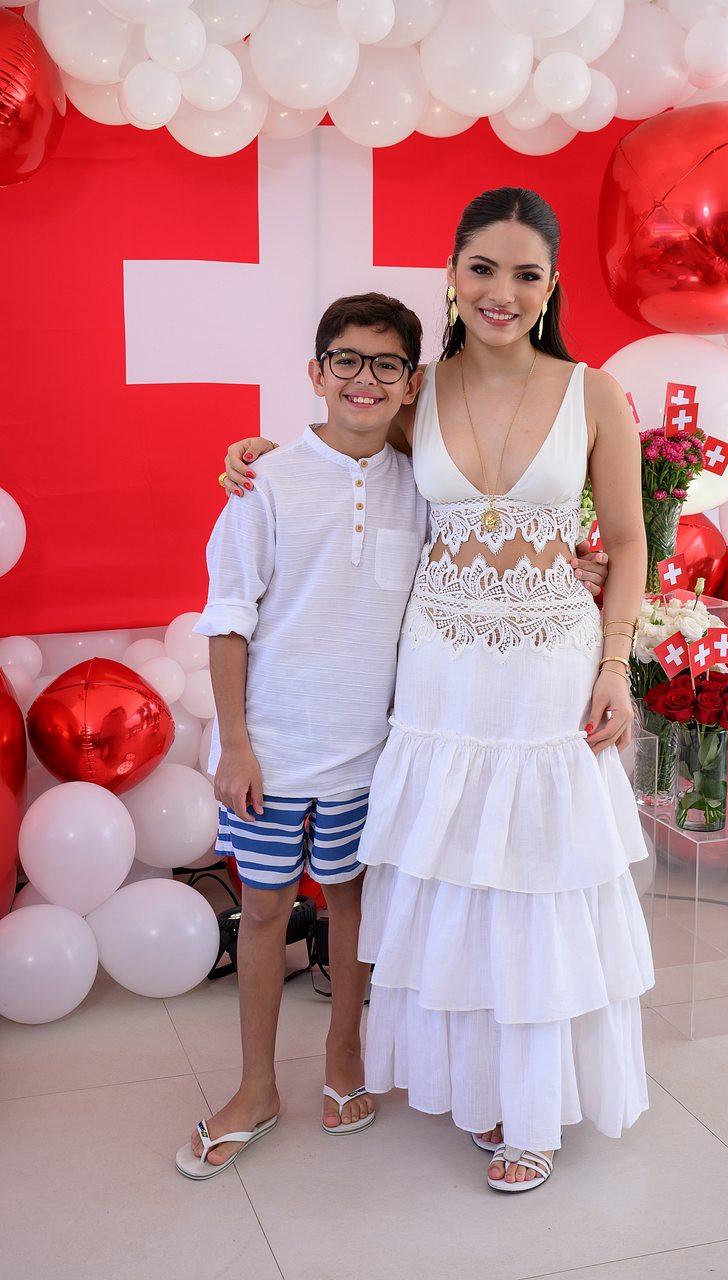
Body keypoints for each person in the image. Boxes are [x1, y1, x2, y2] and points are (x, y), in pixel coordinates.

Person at [223, 189, 647, 1195]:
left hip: (548, 676)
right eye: (482, 269)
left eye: (526, 274)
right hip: (439, 676)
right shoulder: (418, 393)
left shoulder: (593, 394)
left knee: (534, 878)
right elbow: (345, 449)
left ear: (551, 286)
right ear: (452, 275)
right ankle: (467, 1081)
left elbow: (629, 541)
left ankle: (530, 1105)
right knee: (450, 874)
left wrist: (615, 661)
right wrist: (258, 455)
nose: (503, 292)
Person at [175, 293, 429, 1178]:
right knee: (265, 909)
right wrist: (237, 744)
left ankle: (343, 1056)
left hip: (369, 755)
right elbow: (229, 619)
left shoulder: (422, 486)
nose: (365, 379)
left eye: (386, 364)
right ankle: (256, 1087)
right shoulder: (267, 481)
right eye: (346, 360)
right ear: (316, 374)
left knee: (353, 904)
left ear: (410, 384)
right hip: (272, 752)